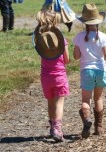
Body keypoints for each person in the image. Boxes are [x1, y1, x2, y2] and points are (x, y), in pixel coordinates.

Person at [73, 4, 106, 138]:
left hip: (87, 71)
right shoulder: (103, 36)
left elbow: (76, 56)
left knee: (86, 100)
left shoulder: (79, 37)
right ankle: (99, 127)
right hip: (101, 70)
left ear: (84, 22)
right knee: (98, 97)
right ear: (98, 21)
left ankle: (86, 120)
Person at [33, 10, 70, 142]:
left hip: (45, 77)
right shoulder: (61, 40)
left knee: (50, 103)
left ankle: (52, 126)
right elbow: (67, 60)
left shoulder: (40, 40)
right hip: (59, 76)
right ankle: (57, 129)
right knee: (59, 103)